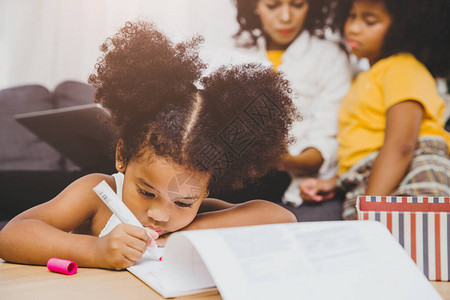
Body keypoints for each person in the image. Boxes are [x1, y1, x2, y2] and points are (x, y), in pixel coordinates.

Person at [0, 21, 299, 270]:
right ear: (122, 156)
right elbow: (11, 236)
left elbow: (282, 219)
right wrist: (96, 251)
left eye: (183, 202)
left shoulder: (188, 219)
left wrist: (188, 234)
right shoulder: (96, 196)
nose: (160, 214)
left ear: (206, 190)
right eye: (145, 191)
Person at [299, 0, 450, 220]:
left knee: (416, 248)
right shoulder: (367, 77)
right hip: (372, 182)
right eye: (352, 16)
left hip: (415, 171)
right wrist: (335, 183)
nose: (353, 28)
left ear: (403, 28)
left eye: (369, 21)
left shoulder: (402, 67)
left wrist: (370, 210)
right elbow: (369, 146)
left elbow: (401, 146)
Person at [221, 0, 352, 208]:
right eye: (272, 6)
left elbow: (327, 139)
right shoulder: (232, 52)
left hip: (291, 184)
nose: (285, 17)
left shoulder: (329, 57)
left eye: (297, 4)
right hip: (231, 180)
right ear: (254, 6)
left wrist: (283, 160)